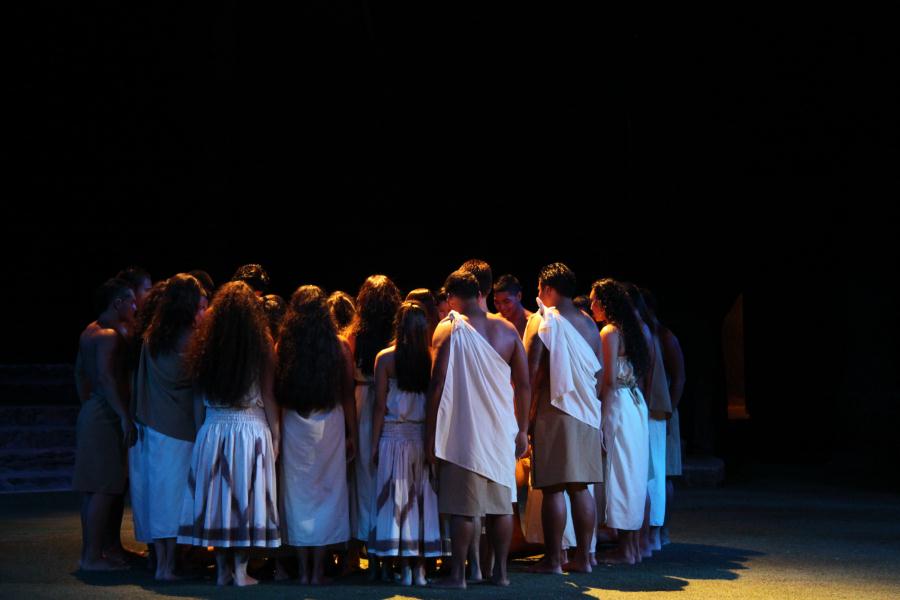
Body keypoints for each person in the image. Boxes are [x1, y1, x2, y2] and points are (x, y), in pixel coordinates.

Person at [426, 270, 531, 588]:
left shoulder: (449, 328)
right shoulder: (507, 329)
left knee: (463, 509)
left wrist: (430, 435)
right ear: (480, 295)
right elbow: (524, 384)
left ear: (451, 297)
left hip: (465, 429)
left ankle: (458, 576)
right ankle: (501, 574)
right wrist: (522, 429)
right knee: (501, 507)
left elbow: (436, 384)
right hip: (500, 429)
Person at [177, 281, 281, 587]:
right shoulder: (261, 342)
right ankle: (240, 570)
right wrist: (276, 435)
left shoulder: (207, 342)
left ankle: (222, 570)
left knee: (220, 500)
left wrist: (201, 431)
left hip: (214, 427)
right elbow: (269, 394)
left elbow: (198, 395)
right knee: (245, 499)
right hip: (250, 428)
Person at [276, 285, 358, 585]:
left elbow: (278, 393)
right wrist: (352, 434)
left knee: (297, 496)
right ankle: (317, 571)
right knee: (327, 494)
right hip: (329, 426)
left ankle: (302, 570)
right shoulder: (339, 346)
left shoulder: (284, 346)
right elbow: (347, 395)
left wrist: (277, 433)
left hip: (294, 425)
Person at [524, 263, 602, 574]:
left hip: (553, 409)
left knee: (553, 488)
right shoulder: (589, 324)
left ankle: (554, 560)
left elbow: (532, 373)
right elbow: (598, 373)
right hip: (586, 411)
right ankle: (584, 558)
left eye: (538, 288)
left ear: (547, 289)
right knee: (580, 487)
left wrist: (526, 418)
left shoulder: (543, 320)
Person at [131, 274, 208, 580]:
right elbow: (198, 391)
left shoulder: (152, 337)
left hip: (154, 425)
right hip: (182, 428)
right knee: (178, 499)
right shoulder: (193, 339)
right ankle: (169, 564)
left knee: (159, 496)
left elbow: (142, 382)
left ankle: (161, 562)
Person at [369, 301, 443, 586]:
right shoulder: (432, 357)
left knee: (397, 502)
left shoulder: (385, 358)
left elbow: (379, 406)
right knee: (421, 502)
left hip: (392, 437)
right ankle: (419, 570)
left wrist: (373, 444)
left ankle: (402, 567)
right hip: (421, 437)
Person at [73, 277, 138, 571]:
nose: (135, 307)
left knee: (95, 488)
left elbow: (80, 374)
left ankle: (98, 550)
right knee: (103, 487)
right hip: (106, 413)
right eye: (131, 301)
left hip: (94, 409)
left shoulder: (89, 331)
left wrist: (88, 403)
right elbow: (106, 377)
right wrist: (123, 415)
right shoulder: (109, 335)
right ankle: (91, 557)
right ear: (118, 303)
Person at [589, 279, 651, 565]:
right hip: (635, 402)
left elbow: (609, 380)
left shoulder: (610, 332)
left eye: (594, 300)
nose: (591, 305)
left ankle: (626, 550)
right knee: (633, 472)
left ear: (606, 303)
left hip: (618, 404)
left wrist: (600, 416)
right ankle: (633, 546)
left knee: (621, 472)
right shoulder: (635, 330)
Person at [344, 275, 402, 571]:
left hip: (362, 402)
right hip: (391, 404)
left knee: (362, 478)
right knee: (387, 477)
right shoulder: (398, 335)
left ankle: (355, 552)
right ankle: (386, 548)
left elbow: (347, 379)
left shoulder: (354, 336)